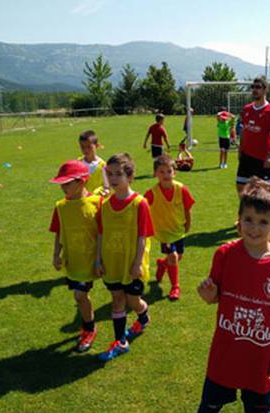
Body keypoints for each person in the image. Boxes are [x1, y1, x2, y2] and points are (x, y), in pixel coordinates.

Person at [197, 177, 270, 413]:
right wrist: (209, 294)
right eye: (248, 219)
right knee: (208, 407)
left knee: (258, 407)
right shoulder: (224, 254)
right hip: (225, 353)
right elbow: (216, 297)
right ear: (239, 219)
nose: (254, 228)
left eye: (262, 222)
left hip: (260, 358)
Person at [96, 153, 154, 361]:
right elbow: (101, 234)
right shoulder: (104, 205)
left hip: (132, 264)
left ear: (130, 177)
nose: (113, 179)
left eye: (118, 174)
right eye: (109, 174)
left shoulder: (140, 203)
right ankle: (120, 341)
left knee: (133, 301)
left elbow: (142, 236)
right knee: (117, 299)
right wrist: (98, 259)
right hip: (112, 263)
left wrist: (138, 263)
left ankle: (143, 316)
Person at [49, 160, 102, 352]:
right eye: (61, 184)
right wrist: (56, 254)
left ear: (82, 181)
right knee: (80, 296)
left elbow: (105, 232)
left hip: (96, 259)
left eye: (67, 183)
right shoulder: (61, 207)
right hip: (75, 260)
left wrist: (99, 259)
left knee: (84, 295)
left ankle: (93, 329)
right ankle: (89, 327)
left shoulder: (97, 203)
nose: (63, 187)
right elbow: (58, 231)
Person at [145, 154, 195, 300]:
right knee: (173, 256)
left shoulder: (182, 189)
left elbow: (187, 208)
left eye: (169, 171)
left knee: (177, 256)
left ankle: (162, 264)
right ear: (155, 174)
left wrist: (188, 223)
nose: (166, 175)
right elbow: (141, 208)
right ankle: (175, 287)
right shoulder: (151, 193)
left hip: (178, 230)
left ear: (175, 172)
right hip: (164, 232)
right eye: (161, 171)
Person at [236, 76, 270, 197]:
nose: (255, 90)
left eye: (258, 87)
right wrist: (240, 150)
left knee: (268, 194)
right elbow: (244, 132)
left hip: (262, 159)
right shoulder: (246, 109)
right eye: (253, 87)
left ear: (265, 90)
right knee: (241, 187)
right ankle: (246, 214)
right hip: (246, 156)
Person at [77, 130, 109, 195]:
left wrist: (97, 193)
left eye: (89, 147)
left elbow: (106, 187)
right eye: (83, 147)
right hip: (82, 201)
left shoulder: (103, 165)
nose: (86, 150)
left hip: (97, 201)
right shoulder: (78, 163)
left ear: (97, 146)